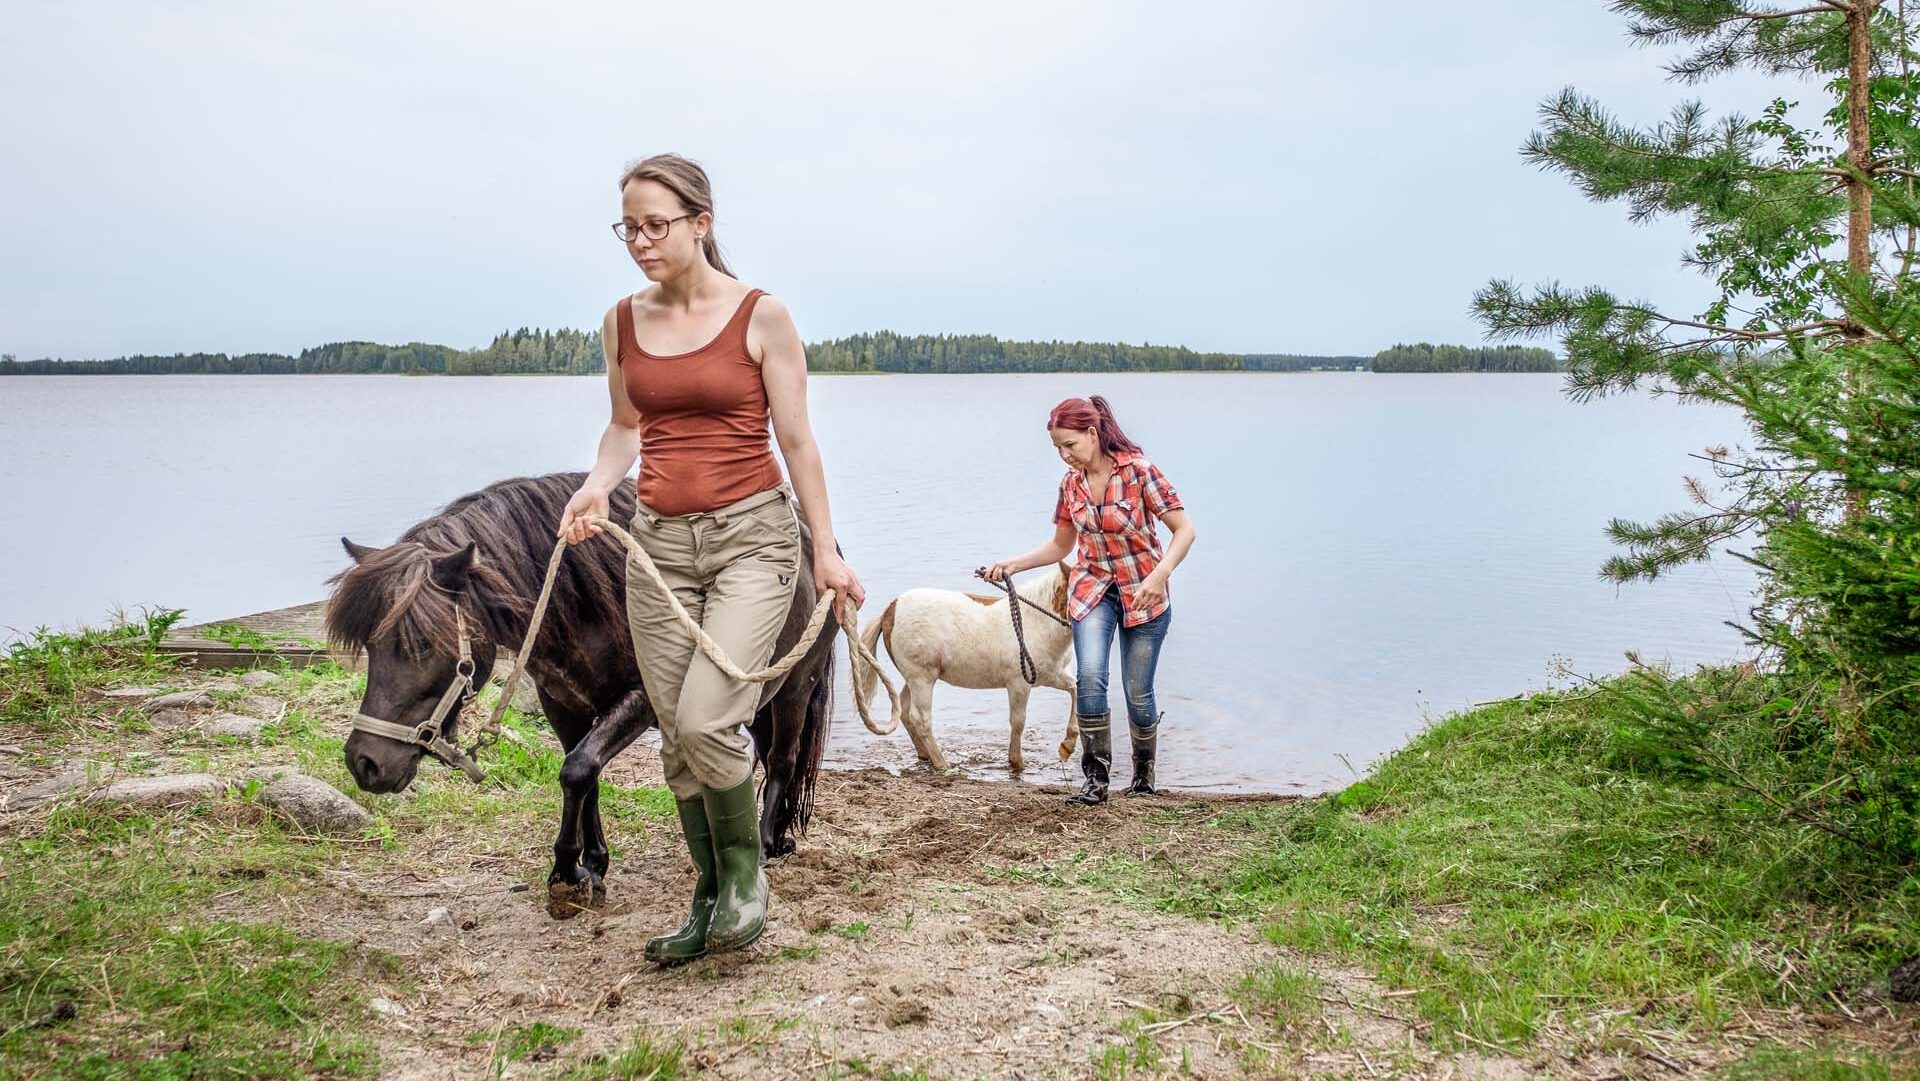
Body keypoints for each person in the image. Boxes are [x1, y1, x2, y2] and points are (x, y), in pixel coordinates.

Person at [557, 153, 864, 962]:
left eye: (656, 224)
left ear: (702, 222)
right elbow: (627, 426)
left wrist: (824, 552)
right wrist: (595, 487)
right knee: (676, 739)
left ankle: (745, 879)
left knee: (706, 716)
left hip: (754, 540)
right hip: (656, 545)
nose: (640, 241)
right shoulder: (622, 320)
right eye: (628, 226)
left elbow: (797, 440)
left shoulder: (762, 316)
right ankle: (707, 898)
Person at [985, 396, 1196, 804]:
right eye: (1057, 449)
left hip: (1144, 594)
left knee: (1138, 693)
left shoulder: (1140, 472)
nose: (1065, 456)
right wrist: (1014, 564)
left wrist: (1160, 574)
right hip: (1092, 592)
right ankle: (1095, 781)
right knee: (1090, 678)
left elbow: (1184, 530)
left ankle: (1142, 779)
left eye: (1071, 445)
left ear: (1093, 434)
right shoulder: (1071, 484)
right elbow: (1061, 545)